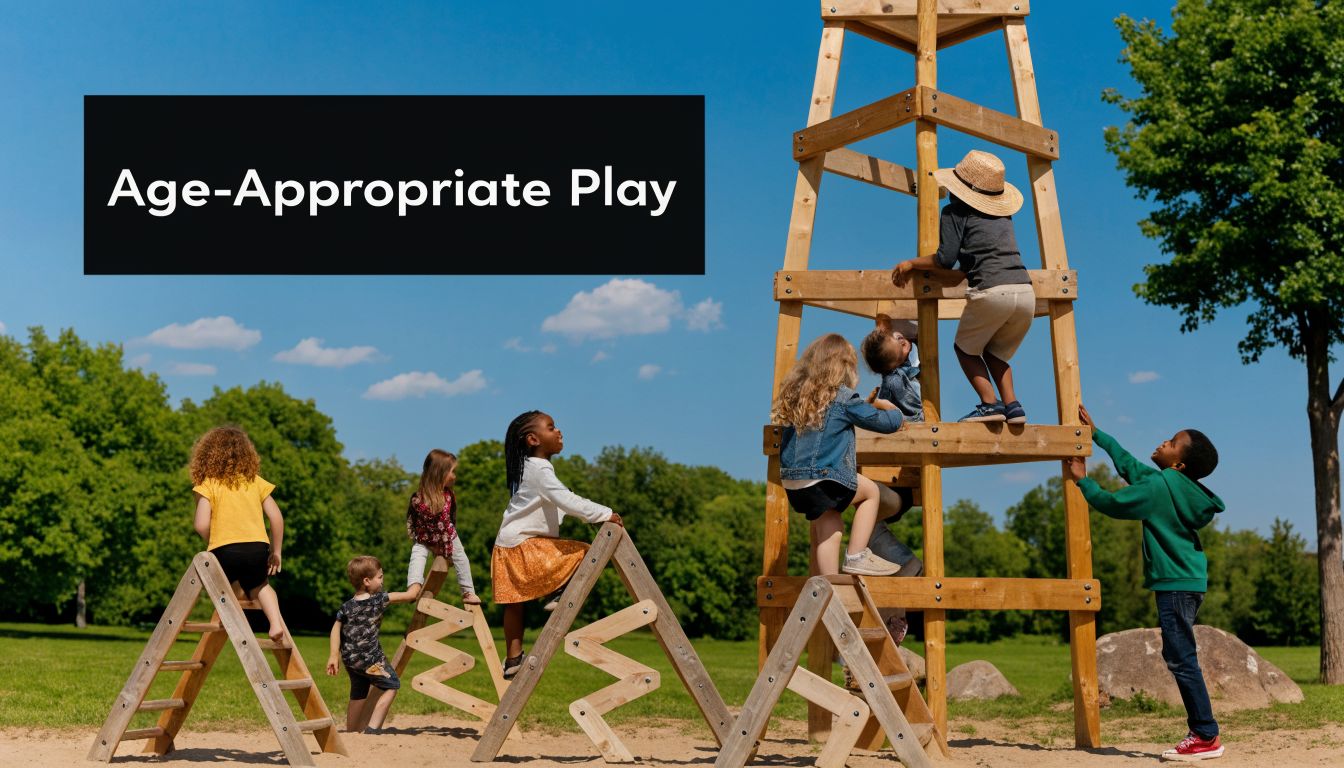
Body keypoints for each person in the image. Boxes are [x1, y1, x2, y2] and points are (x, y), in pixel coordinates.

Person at [1066, 405, 1226, 762]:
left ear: (1178, 464)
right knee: (1180, 655)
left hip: (1174, 584)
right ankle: (1204, 732)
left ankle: (1205, 735)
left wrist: (1082, 481)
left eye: (1171, 442)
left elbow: (1112, 503)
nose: (1163, 441)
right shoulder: (1174, 486)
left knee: (1182, 658)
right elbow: (1131, 468)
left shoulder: (1158, 487)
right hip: (1189, 581)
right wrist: (1099, 435)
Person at [892, 149, 1033, 424]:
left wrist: (911, 264)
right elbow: (970, 264)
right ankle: (1014, 407)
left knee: (965, 349)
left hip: (993, 291)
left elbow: (945, 258)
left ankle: (990, 404)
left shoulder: (954, 212)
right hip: (1025, 292)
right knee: (995, 353)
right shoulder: (1003, 218)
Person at [492, 410, 621, 680]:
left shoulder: (530, 469)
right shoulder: (539, 469)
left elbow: (558, 501)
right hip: (524, 546)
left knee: (514, 604)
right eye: (551, 428)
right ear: (533, 439)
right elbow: (565, 499)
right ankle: (557, 591)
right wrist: (604, 513)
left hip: (506, 547)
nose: (559, 431)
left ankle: (513, 659)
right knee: (585, 552)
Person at [773, 333, 906, 576]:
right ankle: (856, 555)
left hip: (794, 483)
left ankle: (827, 583)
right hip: (825, 478)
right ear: (845, 367)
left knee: (829, 524)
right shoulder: (843, 398)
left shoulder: (798, 396)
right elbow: (885, 423)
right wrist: (890, 408)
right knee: (870, 493)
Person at [189, 425, 287, 642]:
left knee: (222, 583)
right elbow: (276, 517)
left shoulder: (208, 484)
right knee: (260, 586)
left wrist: (212, 540)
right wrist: (276, 550)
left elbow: (201, 524)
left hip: (225, 548)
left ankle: (228, 617)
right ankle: (275, 624)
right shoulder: (254, 481)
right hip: (257, 547)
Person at [326, 555, 418, 732]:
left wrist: (333, 655)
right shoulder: (379, 600)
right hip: (370, 658)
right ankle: (373, 728)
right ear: (367, 581)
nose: (382, 581)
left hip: (350, 659)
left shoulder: (346, 606)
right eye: (380, 577)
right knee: (392, 685)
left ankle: (351, 731)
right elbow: (411, 595)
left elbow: (335, 628)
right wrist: (417, 581)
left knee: (358, 693)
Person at [405, 449, 480, 606]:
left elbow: (449, 521)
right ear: (439, 473)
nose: (455, 476)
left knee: (461, 557)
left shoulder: (448, 495)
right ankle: (413, 587)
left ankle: (468, 591)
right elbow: (412, 521)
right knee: (418, 553)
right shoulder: (418, 499)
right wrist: (431, 545)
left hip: (448, 535)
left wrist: (446, 550)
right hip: (425, 536)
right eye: (452, 472)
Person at [861, 314, 923, 422]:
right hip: (911, 425)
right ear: (895, 363)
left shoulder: (899, 371)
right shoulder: (894, 381)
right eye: (901, 344)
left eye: (895, 336)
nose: (902, 338)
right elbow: (917, 415)